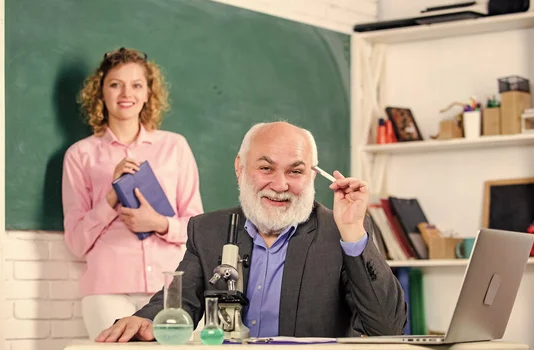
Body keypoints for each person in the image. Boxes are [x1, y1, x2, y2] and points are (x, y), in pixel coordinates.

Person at [95, 121, 407, 342]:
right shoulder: (208, 230)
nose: (280, 185)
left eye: (295, 171)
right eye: (266, 168)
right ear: (240, 168)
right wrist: (146, 320)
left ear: (312, 175)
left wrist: (352, 232)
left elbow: (387, 328)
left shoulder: (340, 230)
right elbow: (178, 303)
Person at [61, 47, 204, 339]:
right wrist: (111, 197)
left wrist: (159, 223)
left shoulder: (175, 147)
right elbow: (76, 242)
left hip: (172, 288)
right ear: (100, 91)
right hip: (107, 290)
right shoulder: (80, 155)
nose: (126, 93)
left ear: (149, 92)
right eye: (115, 84)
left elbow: (196, 226)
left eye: (136, 84)